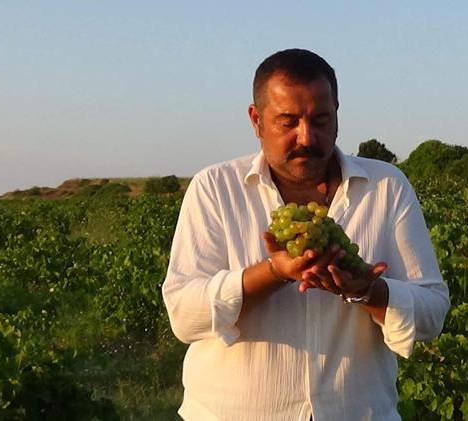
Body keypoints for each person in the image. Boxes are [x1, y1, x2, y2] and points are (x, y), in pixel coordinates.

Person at [162, 48, 449, 421]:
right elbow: (184, 315)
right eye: (288, 122)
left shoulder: (386, 187)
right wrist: (274, 273)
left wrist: (367, 291)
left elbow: (432, 313)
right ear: (256, 120)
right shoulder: (215, 189)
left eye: (320, 120)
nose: (306, 137)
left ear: (337, 115)